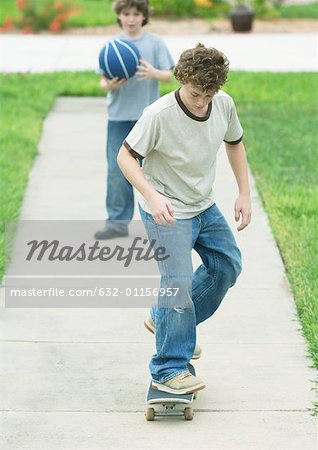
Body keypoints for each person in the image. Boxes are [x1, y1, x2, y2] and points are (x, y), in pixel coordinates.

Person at [117, 43, 252, 395]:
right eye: (195, 93)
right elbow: (126, 158)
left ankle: (165, 320)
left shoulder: (222, 104)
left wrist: (243, 192)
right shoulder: (159, 114)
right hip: (166, 211)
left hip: (203, 205)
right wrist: (151, 194)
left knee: (227, 266)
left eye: (209, 93)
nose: (201, 102)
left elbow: (234, 143)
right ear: (181, 80)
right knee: (176, 289)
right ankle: (168, 368)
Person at [94, 0, 174, 240]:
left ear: (144, 16)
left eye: (136, 14)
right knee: (117, 171)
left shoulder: (155, 43)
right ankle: (117, 224)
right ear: (119, 16)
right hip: (119, 117)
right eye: (126, 14)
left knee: (153, 172)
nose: (130, 19)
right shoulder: (112, 46)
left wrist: (154, 73)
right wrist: (109, 84)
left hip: (147, 119)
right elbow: (102, 80)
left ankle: (161, 220)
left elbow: (169, 76)